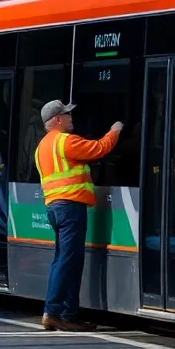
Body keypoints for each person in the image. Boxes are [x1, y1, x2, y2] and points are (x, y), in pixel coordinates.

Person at [34, 100, 121, 332]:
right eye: (67, 115)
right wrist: (115, 131)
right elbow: (99, 149)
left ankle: (68, 314)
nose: (72, 118)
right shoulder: (65, 141)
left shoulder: (42, 146)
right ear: (57, 120)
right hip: (70, 207)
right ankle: (54, 312)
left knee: (64, 260)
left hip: (54, 208)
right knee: (67, 261)